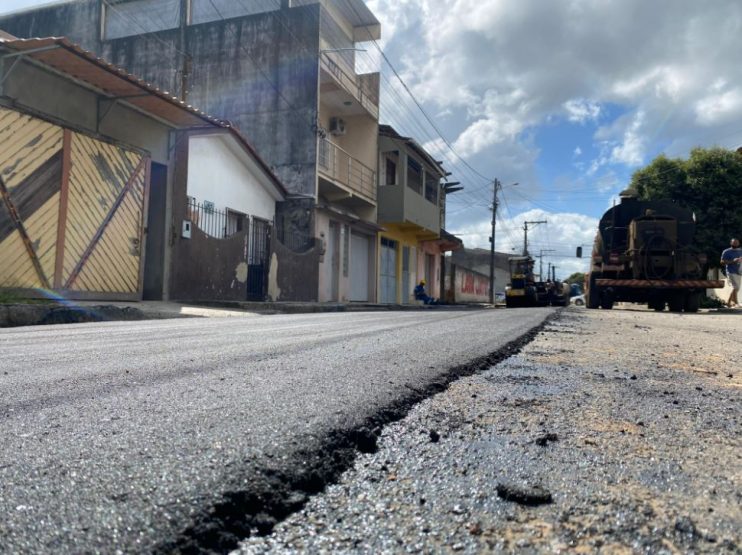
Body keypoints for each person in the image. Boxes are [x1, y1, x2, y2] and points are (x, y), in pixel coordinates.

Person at [720, 238, 742, 308]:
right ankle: (736, 303)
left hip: (739, 272)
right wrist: (733, 261)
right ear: (731, 243)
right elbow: (722, 262)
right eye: (734, 242)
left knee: (736, 288)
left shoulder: (740, 251)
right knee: (736, 287)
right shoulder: (726, 251)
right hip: (730, 271)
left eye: (736, 242)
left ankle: (728, 302)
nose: (735, 244)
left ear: (738, 243)